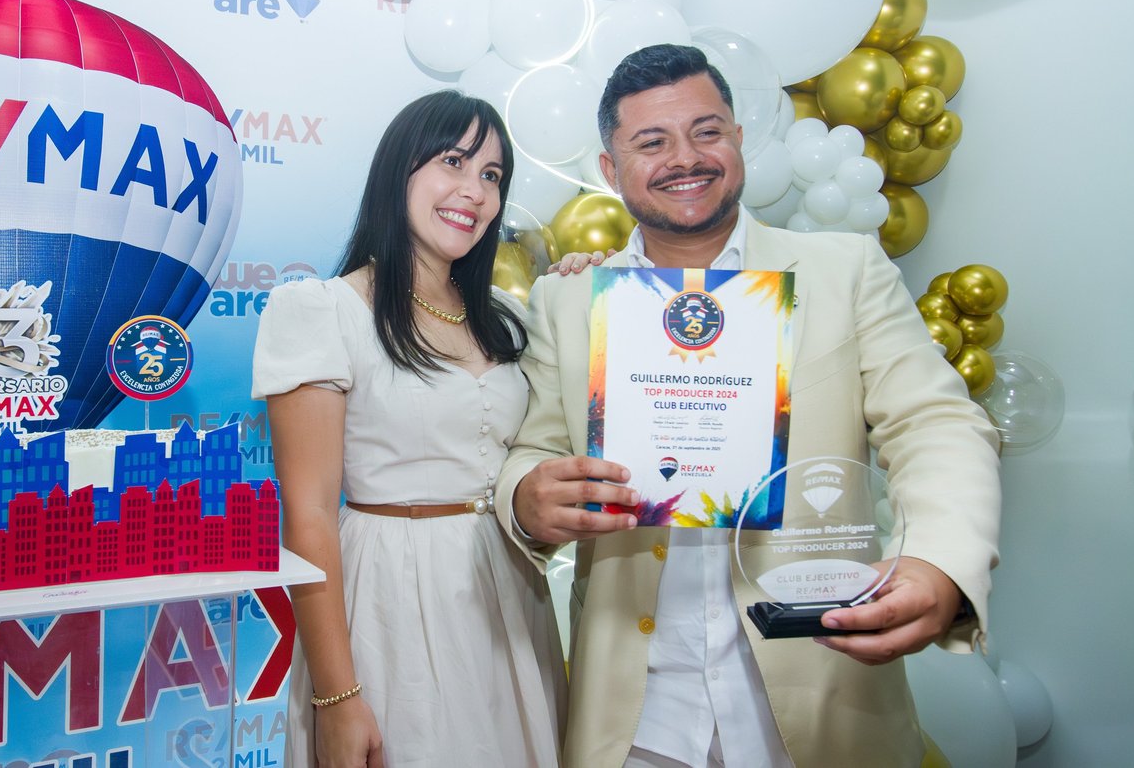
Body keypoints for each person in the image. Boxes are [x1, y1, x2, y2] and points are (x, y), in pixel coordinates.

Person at [497, 45, 1002, 768]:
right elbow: (535, 448)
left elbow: (936, 422)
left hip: (822, 701)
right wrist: (527, 498)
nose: (685, 158)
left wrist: (938, 562)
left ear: (738, 139)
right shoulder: (568, 299)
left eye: (706, 131)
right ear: (610, 169)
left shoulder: (845, 270)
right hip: (638, 720)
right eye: (652, 142)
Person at [253, 89, 566, 768]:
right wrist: (336, 697)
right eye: (453, 162)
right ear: (399, 170)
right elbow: (309, 515)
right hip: (390, 597)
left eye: (492, 174)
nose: (474, 191)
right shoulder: (323, 310)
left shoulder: (508, 317)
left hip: (511, 593)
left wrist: (583, 289)